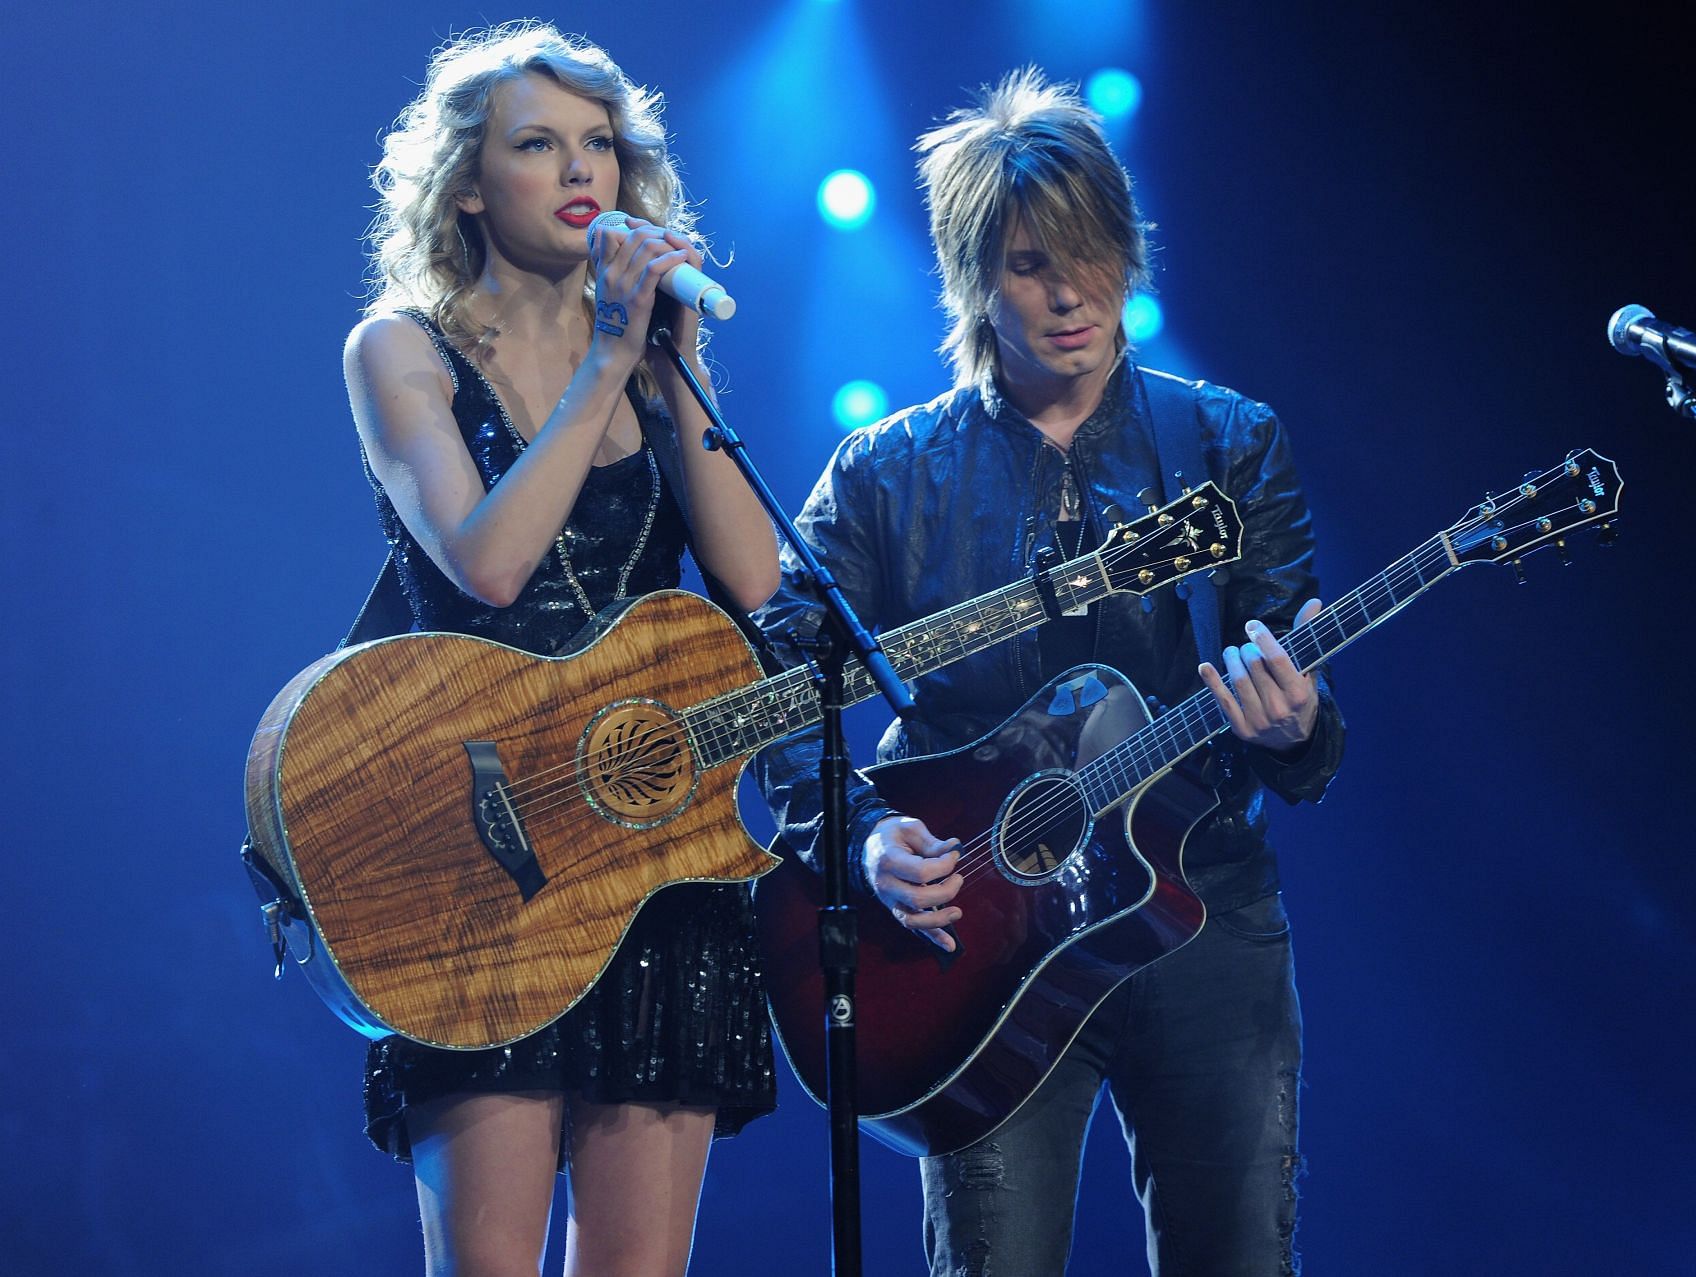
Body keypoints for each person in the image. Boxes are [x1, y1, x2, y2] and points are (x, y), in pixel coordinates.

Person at [752, 70, 1345, 1275]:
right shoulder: (880, 474)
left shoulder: (1230, 442)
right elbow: (774, 708)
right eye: (1028, 264)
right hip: (975, 943)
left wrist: (1295, 728)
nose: (1070, 292)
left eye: (1091, 253)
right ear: (975, 276)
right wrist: (861, 834)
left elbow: (1301, 720)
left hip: (1202, 912)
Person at [342, 23, 780, 1276]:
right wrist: (604, 362)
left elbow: (752, 578)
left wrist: (675, 365)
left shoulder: (647, 365)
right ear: (471, 184)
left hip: (654, 855)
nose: (581, 166)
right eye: (537, 143)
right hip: (480, 860)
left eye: (600, 142)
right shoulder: (400, 350)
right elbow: (487, 563)